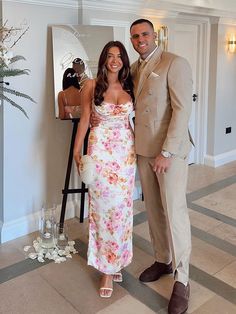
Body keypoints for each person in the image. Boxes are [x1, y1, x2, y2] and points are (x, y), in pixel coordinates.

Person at [130, 19, 193, 314]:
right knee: (153, 209)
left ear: (154, 35)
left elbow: (182, 111)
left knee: (174, 212)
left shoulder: (174, 62)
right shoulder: (134, 67)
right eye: (135, 36)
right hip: (144, 152)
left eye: (144, 34)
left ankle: (183, 278)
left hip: (169, 154)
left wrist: (166, 151)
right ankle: (162, 259)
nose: (140, 39)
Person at [73, 41, 136, 298]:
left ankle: (116, 260)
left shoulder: (132, 85)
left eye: (119, 56)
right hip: (100, 153)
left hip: (126, 156)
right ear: (103, 59)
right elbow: (86, 119)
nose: (114, 60)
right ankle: (106, 270)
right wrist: (77, 152)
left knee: (122, 212)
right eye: (110, 56)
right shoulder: (90, 85)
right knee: (103, 210)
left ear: (124, 60)